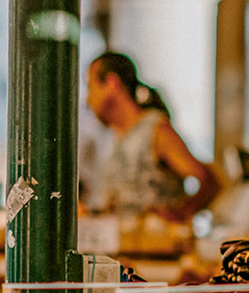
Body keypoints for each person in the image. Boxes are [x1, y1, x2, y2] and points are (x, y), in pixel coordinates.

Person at [84, 52, 220, 221]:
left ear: (112, 83)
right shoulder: (115, 138)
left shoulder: (156, 130)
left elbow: (210, 182)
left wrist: (180, 213)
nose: (88, 100)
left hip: (157, 246)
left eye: (91, 87)